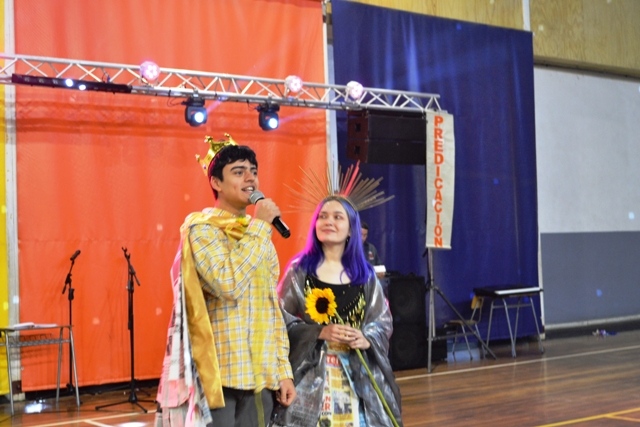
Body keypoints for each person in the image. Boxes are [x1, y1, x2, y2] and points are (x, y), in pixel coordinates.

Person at [156, 138, 296, 427]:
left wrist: (283, 371)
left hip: (261, 376)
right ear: (216, 183)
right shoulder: (201, 230)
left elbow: (272, 309)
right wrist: (260, 227)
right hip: (219, 376)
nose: (250, 178)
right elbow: (227, 283)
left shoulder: (260, 237)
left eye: (254, 171)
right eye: (239, 171)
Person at [272, 195, 403, 427]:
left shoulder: (365, 276)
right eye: (322, 216)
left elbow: (382, 321)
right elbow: (279, 320)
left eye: (337, 217)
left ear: (351, 229)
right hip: (312, 377)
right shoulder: (299, 270)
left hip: (358, 374)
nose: (328, 222)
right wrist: (318, 332)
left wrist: (366, 338)